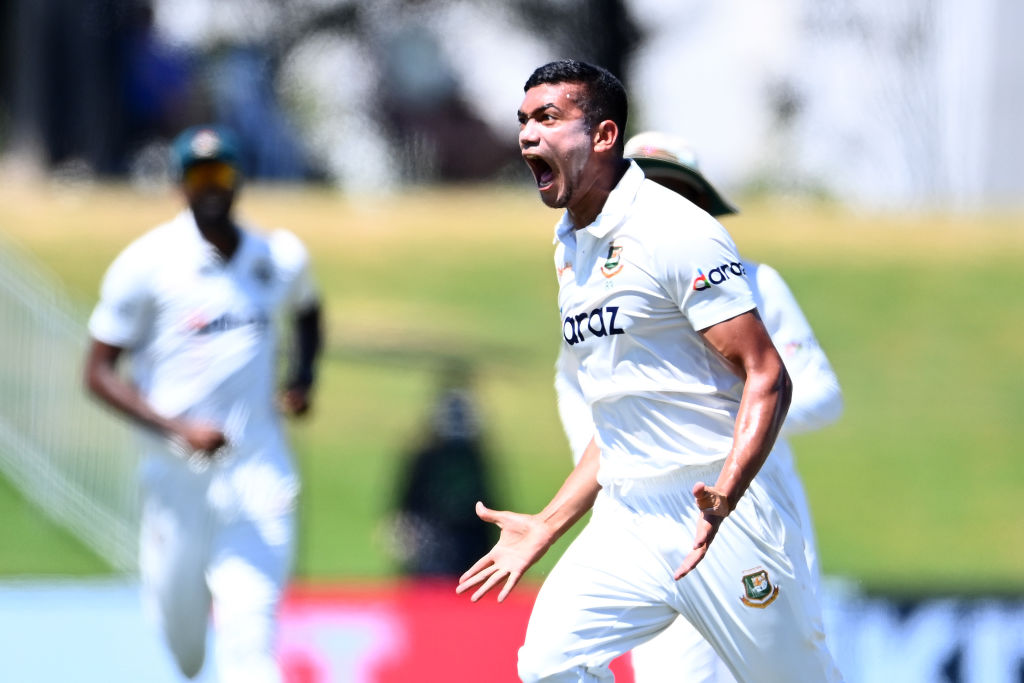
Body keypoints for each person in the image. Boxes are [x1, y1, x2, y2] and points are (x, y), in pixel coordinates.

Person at [455, 60, 842, 682]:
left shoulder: (675, 231)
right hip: (628, 514)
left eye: (548, 118)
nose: (528, 134)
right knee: (549, 667)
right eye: (524, 120)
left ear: (604, 136)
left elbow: (770, 377)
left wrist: (726, 494)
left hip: (718, 512)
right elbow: (620, 419)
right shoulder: (568, 246)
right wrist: (547, 525)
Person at [583, 131, 842, 682]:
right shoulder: (595, 289)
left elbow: (820, 393)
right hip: (656, 515)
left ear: (700, 205)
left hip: (755, 504)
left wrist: (732, 414)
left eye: (674, 192)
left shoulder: (753, 284)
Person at [83, 124, 322, 683]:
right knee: (186, 650)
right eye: (198, 176)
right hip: (175, 484)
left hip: (258, 479)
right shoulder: (145, 265)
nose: (211, 187)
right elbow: (96, 372)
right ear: (180, 185)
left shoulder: (278, 256)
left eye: (220, 174)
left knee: (249, 648)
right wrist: (176, 428)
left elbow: (308, 314)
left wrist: (302, 378)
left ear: (239, 179)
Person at [389, 363, 499, 577]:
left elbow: (487, 507)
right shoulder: (425, 457)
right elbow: (408, 505)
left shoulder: (474, 458)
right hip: (430, 549)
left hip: (470, 546)